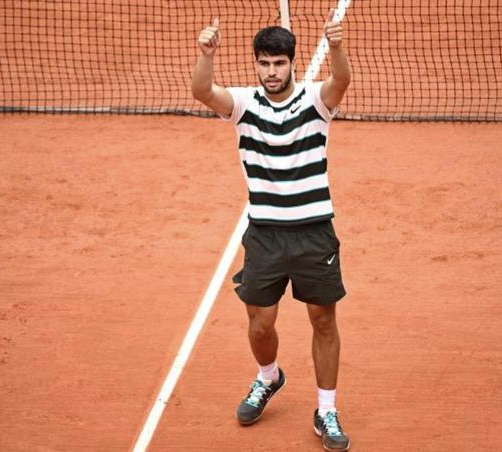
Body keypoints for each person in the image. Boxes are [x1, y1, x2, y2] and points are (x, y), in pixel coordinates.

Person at [192, 9, 352, 451]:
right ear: (256, 65)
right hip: (264, 235)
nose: (271, 72)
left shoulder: (316, 102)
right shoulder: (243, 105)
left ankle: (326, 410)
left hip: (314, 232)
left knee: (323, 319)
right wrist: (206, 55)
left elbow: (341, 81)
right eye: (263, 63)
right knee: (260, 324)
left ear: (292, 64)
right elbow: (202, 91)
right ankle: (269, 377)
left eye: (278, 63)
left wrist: (336, 48)